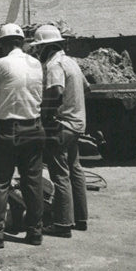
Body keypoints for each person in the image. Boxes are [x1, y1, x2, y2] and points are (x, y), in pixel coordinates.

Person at [0, 22, 45, 248]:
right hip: (34, 128)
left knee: (1, 182)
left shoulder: (0, 64)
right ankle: (35, 232)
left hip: (7, 130)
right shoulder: (37, 64)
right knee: (32, 182)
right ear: (21, 42)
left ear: (5, 43)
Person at [34, 23, 90, 236]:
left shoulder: (54, 64)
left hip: (62, 125)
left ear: (47, 47)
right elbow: (87, 87)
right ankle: (81, 219)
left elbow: (56, 90)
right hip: (76, 124)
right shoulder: (71, 62)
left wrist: (46, 113)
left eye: (40, 48)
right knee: (76, 170)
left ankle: (63, 224)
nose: (38, 52)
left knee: (60, 175)